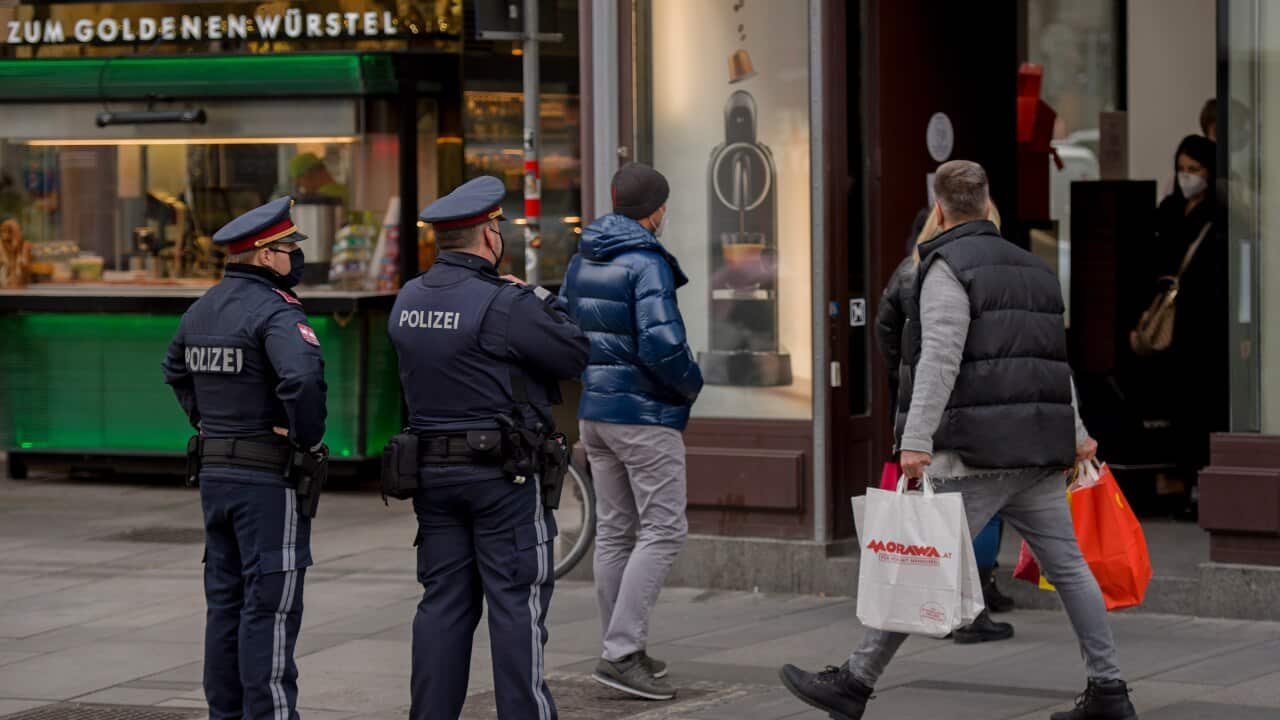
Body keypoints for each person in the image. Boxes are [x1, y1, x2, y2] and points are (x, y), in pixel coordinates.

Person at [781, 161, 1138, 720]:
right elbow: (1052, 365)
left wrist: (915, 440)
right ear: (987, 202)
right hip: (1038, 454)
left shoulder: (946, 268)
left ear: (939, 207)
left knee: (917, 563)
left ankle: (854, 682)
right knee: (1070, 569)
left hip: (976, 454)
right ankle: (1110, 690)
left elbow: (939, 361)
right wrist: (1077, 434)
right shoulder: (1035, 269)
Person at [388, 175, 589, 720]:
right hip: (503, 479)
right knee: (514, 605)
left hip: (430, 473)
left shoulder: (407, 298)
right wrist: (537, 295)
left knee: (443, 606)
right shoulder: (504, 303)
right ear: (488, 234)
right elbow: (573, 353)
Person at [161, 196, 328, 720]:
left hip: (215, 474)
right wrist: (302, 437)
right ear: (262, 256)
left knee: (226, 606)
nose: (293, 258)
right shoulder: (276, 312)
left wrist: (205, 421)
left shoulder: (202, 307)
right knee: (270, 608)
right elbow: (301, 378)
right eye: (287, 249)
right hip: (266, 479)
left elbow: (174, 369)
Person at [560, 163, 703, 701]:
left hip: (596, 412)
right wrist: (691, 384)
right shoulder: (647, 262)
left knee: (617, 531)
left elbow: (568, 324)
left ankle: (623, 647)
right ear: (657, 209)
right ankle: (622, 652)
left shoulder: (585, 256)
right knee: (664, 530)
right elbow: (663, 345)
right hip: (643, 416)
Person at [876, 200, 1016, 647]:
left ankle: (939, 608)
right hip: (966, 411)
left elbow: (886, 334)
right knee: (967, 514)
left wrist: (903, 380)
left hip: (921, 405)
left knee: (938, 515)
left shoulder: (907, 271)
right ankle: (966, 606)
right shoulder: (966, 272)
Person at [1130, 134, 1226, 516]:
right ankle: (1178, 482)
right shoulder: (1169, 211)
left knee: (1200, 409)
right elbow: (1148, 264)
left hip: (1203, 329)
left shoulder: (1218, 216)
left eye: (1195, 170)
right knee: (1173, 409)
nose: (1187, 177)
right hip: (1168, 324)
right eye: (1182, 169)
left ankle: (1199, 485)